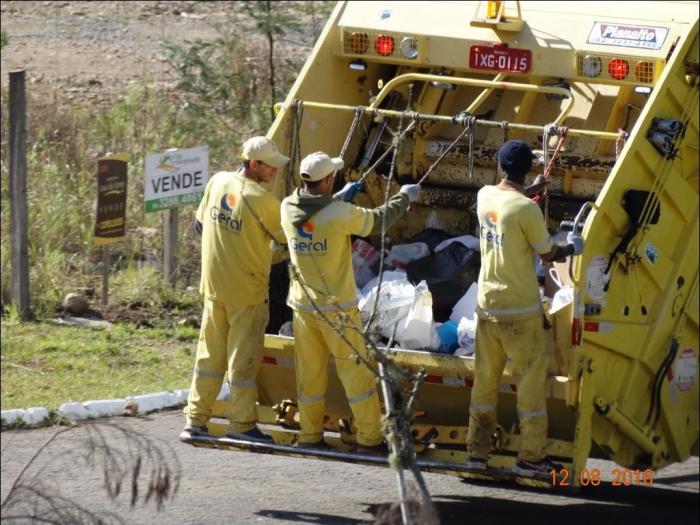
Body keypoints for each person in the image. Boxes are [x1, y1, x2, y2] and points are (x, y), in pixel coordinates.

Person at [280, 151, 421, 452]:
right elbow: (377, 221)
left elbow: (316, 215)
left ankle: (310, 436)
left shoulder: (287, 206)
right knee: (356, 377)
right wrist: (405, 198)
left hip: (303, 308)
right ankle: (370, 439)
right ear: (329, 179)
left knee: (310, 376)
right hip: (338, 312)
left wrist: (338, 198)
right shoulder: (339, 215)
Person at [465, 140, 583, 476]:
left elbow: (507, 207)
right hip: (520, 312)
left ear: (500, 167)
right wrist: (571, 245)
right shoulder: (527, 211)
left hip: (487, 308)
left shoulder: (484, 196)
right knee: (530, 386)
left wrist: (530, 191)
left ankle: (476, 454)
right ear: (527, 168)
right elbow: (547, 254)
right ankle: (531, 457)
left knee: (484, 385)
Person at [183, 136, 289, 442]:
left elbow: (201, 225)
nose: (275, 173)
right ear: (254, 164)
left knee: (208, 357)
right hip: (247, 293)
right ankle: (242, 425)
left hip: (215, 288)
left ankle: (195, 419)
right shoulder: (265, 202)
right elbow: (289, 241)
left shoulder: (218, 182)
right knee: (242, 361)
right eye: (270, 167)